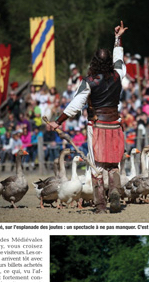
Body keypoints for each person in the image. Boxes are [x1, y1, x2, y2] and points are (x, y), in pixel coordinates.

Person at [48, 21, 128, 214]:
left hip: (97, 125)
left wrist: (57, 122)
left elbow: (75, 106)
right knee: (113, 163)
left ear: (94, 62)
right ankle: (115, 190)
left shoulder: (89, 82)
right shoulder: (118, 74)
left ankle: (100, 205)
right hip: (115, 124)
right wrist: (118, 39)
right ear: (108, 62)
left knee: (97, 165)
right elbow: (119, 60)